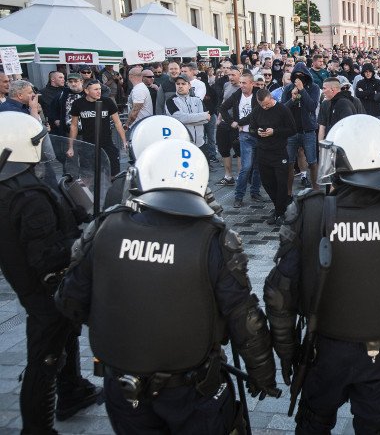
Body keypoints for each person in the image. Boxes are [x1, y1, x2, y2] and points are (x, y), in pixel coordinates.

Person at [55, 139, 280, 434]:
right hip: (192, 387)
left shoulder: (106, 227)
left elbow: (70, 300)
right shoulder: (213, 238)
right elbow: (243, 316)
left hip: (123, 383)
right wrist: (262, 373)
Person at [264, 115, 380, 434]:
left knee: (313, 424)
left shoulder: (309, 209)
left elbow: (279, 293)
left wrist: (287, 354)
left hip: (324, 351)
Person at [0, 112, 102, 434]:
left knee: (66, 335)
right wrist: (83, 243)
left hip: (35, 284)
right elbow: (46, 255)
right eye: (39, 142)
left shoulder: (12, 183)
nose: (45, 148)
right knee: (44, 359)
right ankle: (37, 428)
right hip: (46, 288)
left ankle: (71, 389)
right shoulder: (28, 195)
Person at [219, 72, 264, 208]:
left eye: (244, 83)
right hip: (245, 136)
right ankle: (239, 196)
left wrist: (238, 122)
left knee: (258, 167)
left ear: (252, 83)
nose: (242, 85)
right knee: (246, 167)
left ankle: (255, 192)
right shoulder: (237, 94)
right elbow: (222, 108)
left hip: (259, 134)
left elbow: (255, 114)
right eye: (241, 83)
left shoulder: (259, 94)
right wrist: (231, 121)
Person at [251, 88, 296, 225]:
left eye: (267, 104)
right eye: (262, 105)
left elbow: (292, 129)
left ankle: (280, 212)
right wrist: (257, 132)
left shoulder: (282, 109)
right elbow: (252, 128)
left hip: (279, 151)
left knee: (281, 182)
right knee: (267, 182)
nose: (265, 107)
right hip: (263, 151)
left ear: (271, 98)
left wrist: (274, 132)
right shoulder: (257, 110)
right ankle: (279, 208)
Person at [67, 79, 128, 175]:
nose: (99, 91)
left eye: (99, 89)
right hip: (88, 144)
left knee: (114, 174)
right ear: (86, 91)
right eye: (95, 89)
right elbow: (74, 126)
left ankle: (111, 189)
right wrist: (71, 146)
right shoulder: (78, 103)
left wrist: (124, 141)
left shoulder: (107, 102)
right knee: (88, 175)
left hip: (107, 143)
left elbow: (118, 123)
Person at [165, 75, 210, 151]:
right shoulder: (170, 101)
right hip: (182, 145)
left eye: (183, 84)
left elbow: (206, 120)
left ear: (189, 85)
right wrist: (202, 116)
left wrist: (187, 120)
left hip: (200, 144)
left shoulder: (197, 100)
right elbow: (179, 118)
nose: (180, 86)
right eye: (178, 84)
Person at [125, 66, 154, 130]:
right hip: (141, 124)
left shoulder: (139, 89)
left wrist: (126, 125)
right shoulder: (139, 87)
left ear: (130, 76)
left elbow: (135, 111)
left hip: (140, 125)